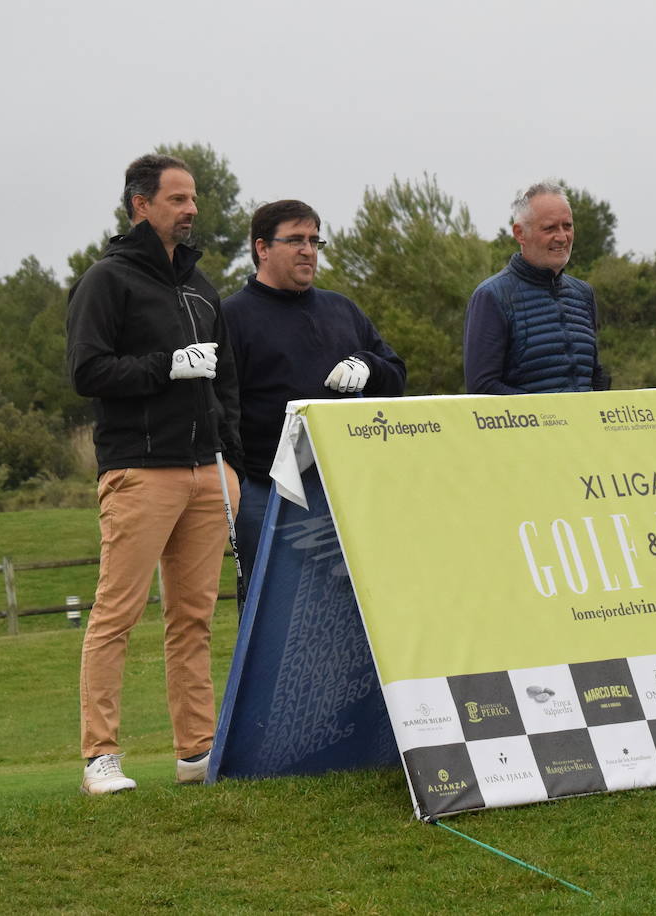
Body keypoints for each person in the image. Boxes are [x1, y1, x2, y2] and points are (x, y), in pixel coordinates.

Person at [66, 153, 244, 794]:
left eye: (192, 199)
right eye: (178, 199)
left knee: (193, 621)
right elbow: (88, 373)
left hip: (205, 473)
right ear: (141, 204)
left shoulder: (201, 288)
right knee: (116, 616)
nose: (191, 209)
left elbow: (226, 382)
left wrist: (232, 460)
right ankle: (100, 759)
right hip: (140, 471)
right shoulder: (107, 281)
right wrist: (166, 365)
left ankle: (196, 751)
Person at [221, 200, 405, 582]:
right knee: (271, 605)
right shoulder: (230, 317)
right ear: (262, 248)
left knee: (350, 603)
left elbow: (396, 376)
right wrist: (236, 482)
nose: (307, 250)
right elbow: (221, 409)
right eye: (295, 240)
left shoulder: (342, 309)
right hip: (264, 491)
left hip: (342, 487)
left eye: (314, 241)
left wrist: (368, 365)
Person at [463, 181, 608, 394]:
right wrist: (551, 416)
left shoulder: (583, 294)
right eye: (549, 228)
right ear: (520, 233)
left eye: (567, 226)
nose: (561, 237)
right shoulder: (491, 296)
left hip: (585, 427)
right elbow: (482, 387)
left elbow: (593, 375)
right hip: (525, 427)